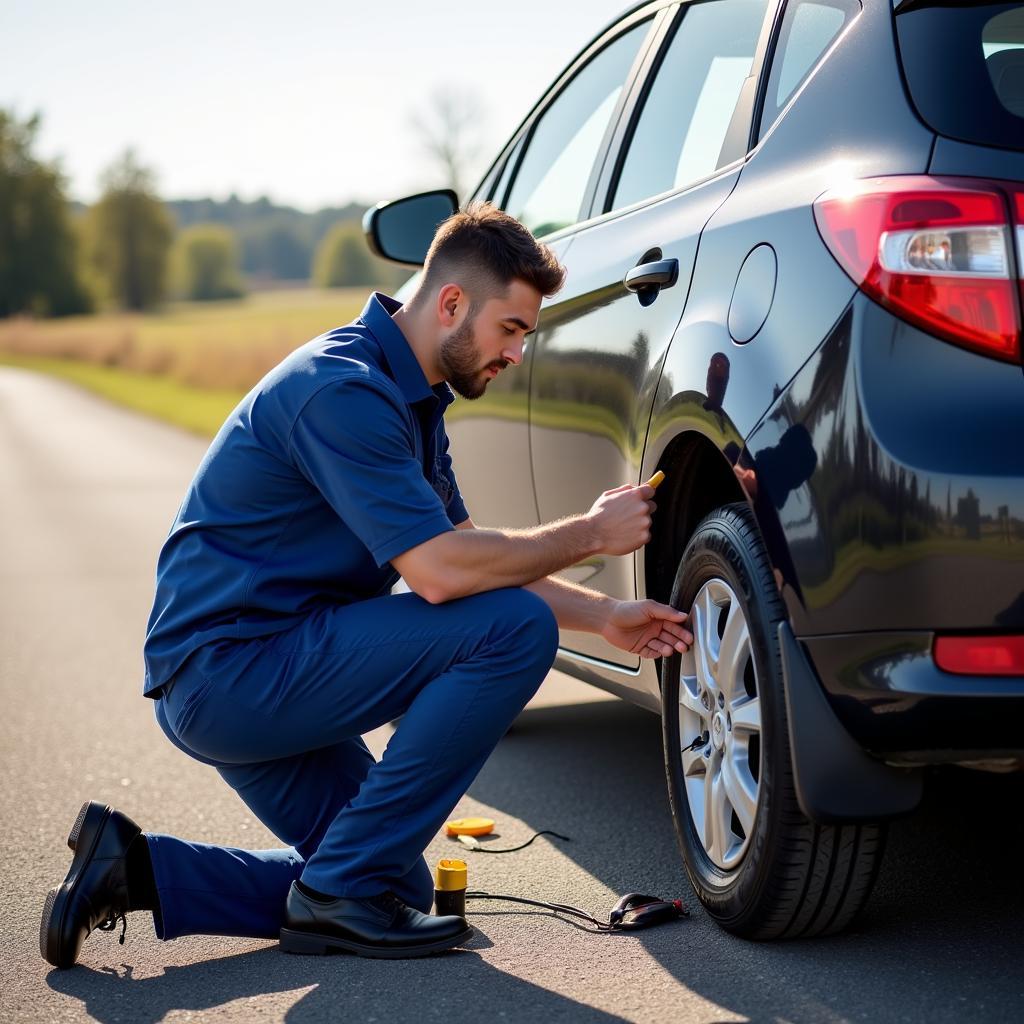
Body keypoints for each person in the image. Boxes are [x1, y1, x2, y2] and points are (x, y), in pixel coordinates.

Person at [41, 202, 693, 967]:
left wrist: (607, 612)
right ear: (452, 303)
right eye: (511, 329)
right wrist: (589, 531)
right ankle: (337, 891)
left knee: (393, 886)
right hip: (232, 673)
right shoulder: (342, 390)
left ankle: (135, 869)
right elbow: (448, 576)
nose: (517, 353)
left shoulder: (409, 401)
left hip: (260, 669)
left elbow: (470, 562)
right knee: (515, 630)